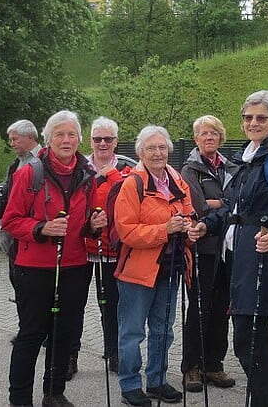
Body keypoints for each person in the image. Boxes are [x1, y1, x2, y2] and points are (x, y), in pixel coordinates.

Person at [191, 90, 268, 407]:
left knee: (248, 337)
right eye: (248, 117)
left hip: (258, 252)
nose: (253, 123)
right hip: (235, 254)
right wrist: (208, 224)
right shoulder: (248, 155)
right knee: (252, 338)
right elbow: (232, 207)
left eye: (261, 118)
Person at [2, 110, 99, 407]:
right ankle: (19, 399)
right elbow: (10, 220)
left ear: (79, 139)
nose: (66, 140)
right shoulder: (30, 172)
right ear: (48, 139)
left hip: (75, 265)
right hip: (35, 268)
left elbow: (86, 223)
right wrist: (41, 228)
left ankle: (54, 393)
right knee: (31, 334)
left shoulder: (87, 173)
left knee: (64, 333)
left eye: (71, 134)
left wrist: (94, 225)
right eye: (59, 134)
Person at [114, 125, 195, 407]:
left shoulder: (175, 177)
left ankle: (157, 380)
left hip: (170, 268)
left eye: (162, 147)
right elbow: (126, 232)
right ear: (140, 152)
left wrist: (191, 226)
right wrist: (164, 229)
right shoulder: (132, 184)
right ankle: (130, 385)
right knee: (133, 331)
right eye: (151, 148)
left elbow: (188, 209)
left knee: (163, 329)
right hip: (138, 271)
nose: (158, 153)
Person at [67, 116, 136, 379]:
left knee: (112, 304)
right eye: (98, 139)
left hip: (113, 249)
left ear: (116, 141)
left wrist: (114, 177)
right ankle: (70, 355)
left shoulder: (127, 168)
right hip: (81, 247)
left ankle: (114, 352)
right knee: (74, 304)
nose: (103, 143)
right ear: (90, 140)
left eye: (108, 139)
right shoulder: (78, 167)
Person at [179, 115, 238, 393]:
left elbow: (240, 203)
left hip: (228, 248)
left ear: (221, 137)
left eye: (213, 133)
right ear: (196, 139)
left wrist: (221, 204)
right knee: (199, 308)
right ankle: (191, 366)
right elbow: (198, 208)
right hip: (202, 248)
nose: (209, 138)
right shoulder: (190, 170)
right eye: (203, 134)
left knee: (222, 308)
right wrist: (224, 204)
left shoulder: (232, 167)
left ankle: (214, 363)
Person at [0, 119, 42, 291]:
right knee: (17, 279)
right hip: (13, 233)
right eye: (11, 140)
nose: (12, 143)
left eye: (15, 139)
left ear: (30, 137)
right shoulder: (15, 164)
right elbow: (7, 196)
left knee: (33, 285)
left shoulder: (45, 160)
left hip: (36, 232)